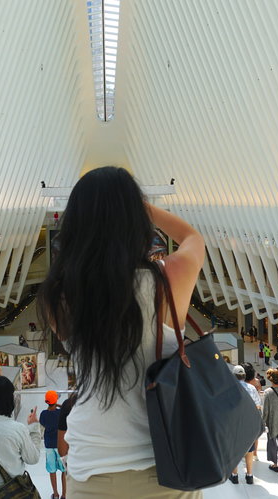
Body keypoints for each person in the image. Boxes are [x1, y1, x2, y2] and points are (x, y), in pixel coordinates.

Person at [36, 166, 206, 499]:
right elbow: (192, 239)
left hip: (92, 473)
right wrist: (144, 208)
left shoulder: (59, 296)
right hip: (168, 469)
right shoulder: (170, 278)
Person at [230, 364, 261, 485]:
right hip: (249, 423)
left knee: (234, 449)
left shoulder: (230, 388)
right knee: (250, 450)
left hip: (235, 423)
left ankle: (235, 475)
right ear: (244, 376)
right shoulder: (252, 388)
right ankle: (249, 476)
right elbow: (258, 406)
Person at [40, 390, 66, 499]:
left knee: (52, 470)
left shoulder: (44, 414)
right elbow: (65, 412)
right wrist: (58, 405)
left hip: (49, 445)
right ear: (56, 401)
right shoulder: (60, 413)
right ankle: (64, 495)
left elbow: (43, 423)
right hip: (60, 445)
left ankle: (55, 494)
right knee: (64, 471)